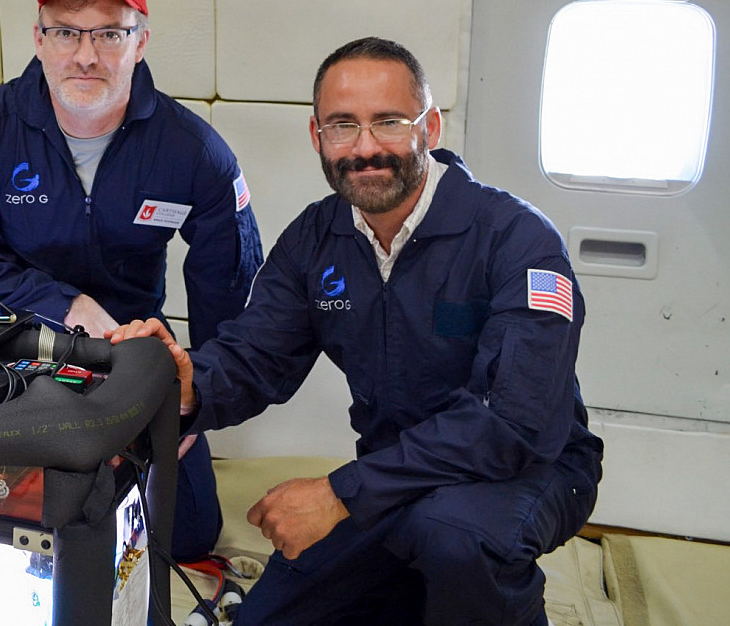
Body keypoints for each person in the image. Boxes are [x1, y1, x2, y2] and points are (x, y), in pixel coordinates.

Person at [113, 36, 604, 626]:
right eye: (343, 126)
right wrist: (189, 385)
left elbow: (516, 424)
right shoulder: (316, 239)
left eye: (390, 122)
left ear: (431, 128)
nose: (366, 147)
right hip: (392, 472)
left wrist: (342, 494)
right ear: (317, 136)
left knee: (452, 537)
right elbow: (256, 355)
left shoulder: (517, 239)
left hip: (525, 472)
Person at [0, 0, 264, 561]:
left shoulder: (194, 152)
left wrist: (194, 405)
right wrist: (68, 305)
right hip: (13, 350)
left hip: (132, 357)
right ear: (38, 39)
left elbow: (231, 293)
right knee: (10, 527)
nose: (86, 55)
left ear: (141, 42)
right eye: (65, 32)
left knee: (184, 536)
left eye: (110, 33)